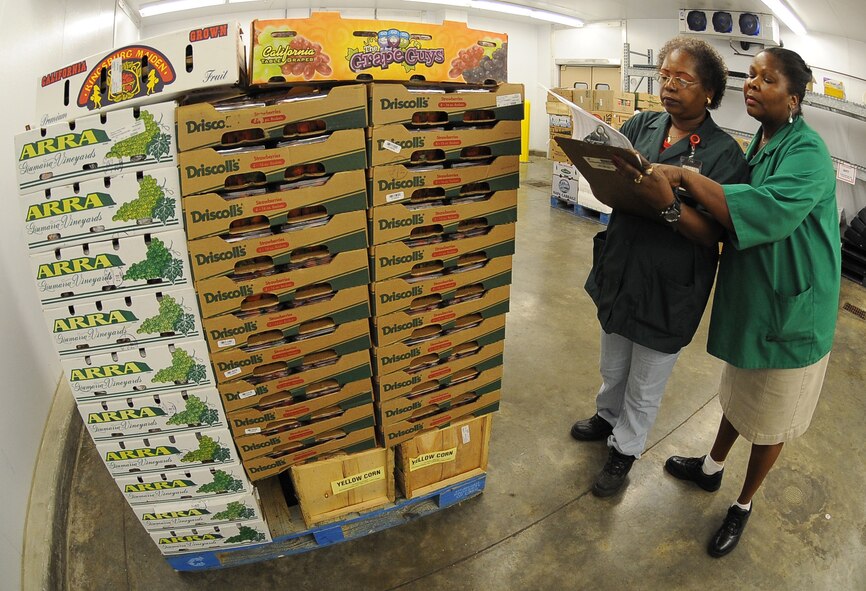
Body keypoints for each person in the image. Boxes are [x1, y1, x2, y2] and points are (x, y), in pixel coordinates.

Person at [613, 47, 841, 557]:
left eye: (768, 80)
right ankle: (712, 468)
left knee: (771, 418)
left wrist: (685, 178)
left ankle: (743, 503)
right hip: (756, 301)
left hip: (793, 311)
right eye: (752, 76)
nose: (754, 85)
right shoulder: (762, 142)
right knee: (739, 396)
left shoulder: (807, 153)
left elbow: (767, 211)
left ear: (795, 98)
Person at [572, 36, 749, 498]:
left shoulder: (724, 154)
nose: (669, 86)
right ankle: (606, 416)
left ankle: (624, 449)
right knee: (613, 362)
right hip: (623, 262)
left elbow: (715, 234)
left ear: (708, 91)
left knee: (646, 379)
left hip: (671, 282)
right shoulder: (641, 124)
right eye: (664, 76)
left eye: (683, 80)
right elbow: (614, 187)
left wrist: (669, 204)